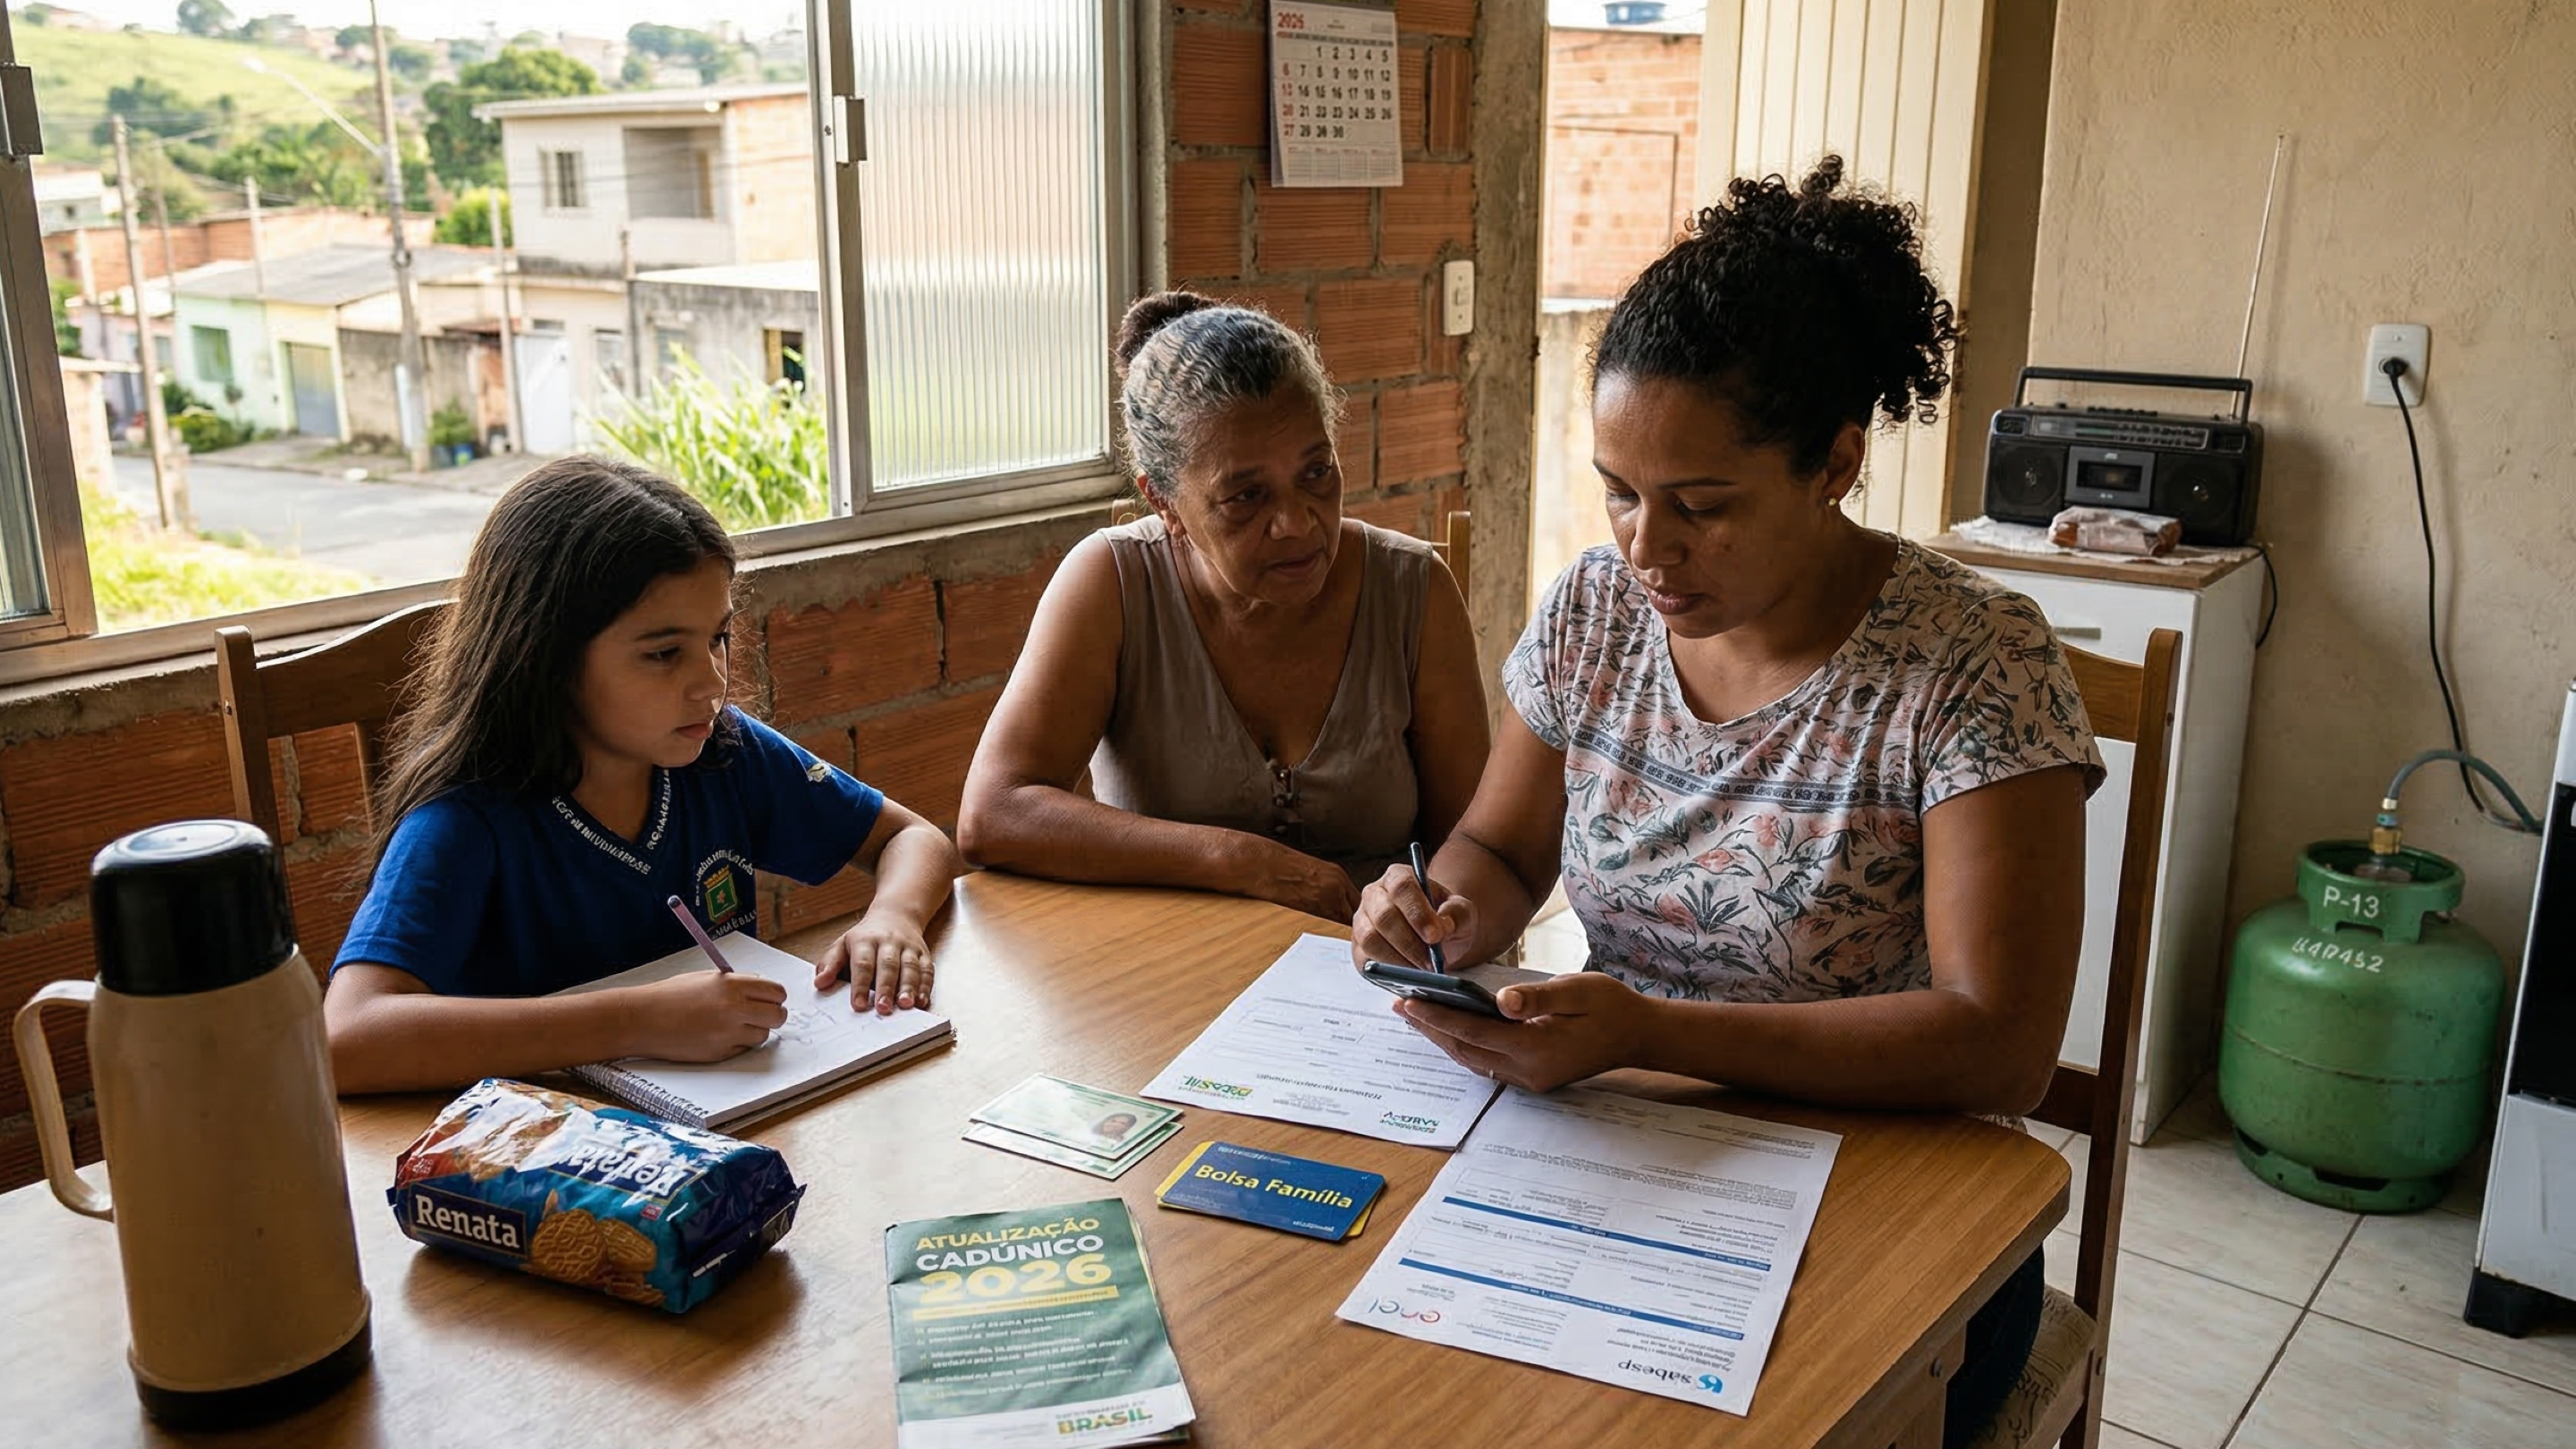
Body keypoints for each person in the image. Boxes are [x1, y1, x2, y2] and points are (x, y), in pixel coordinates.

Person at [1350, 158, 2102, 1449]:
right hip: (1620, 1148)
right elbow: (1501, 847)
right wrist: (1441, 913)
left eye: (1701, 507)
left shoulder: (1974, 664)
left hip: (1896, 1193)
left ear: (1836, 465)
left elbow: (2000, 1045)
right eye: (1620, 491)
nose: (1647, 549)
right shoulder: (1596, 612)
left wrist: (1652, 1031)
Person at [326, 457, 962, 1094]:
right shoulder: (467, 820)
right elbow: (348, 1036)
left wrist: (894, 917)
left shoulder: (724, 753)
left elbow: (912, 838)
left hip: (733, 1122)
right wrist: (636, 1021)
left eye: (717, 638)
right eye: (663, 653)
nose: (711, 682)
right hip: (547, 1142)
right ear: (544, 655)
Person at [957, 292, 1489, 920]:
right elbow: (994, 813)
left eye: (1316, 472)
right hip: (1174, 958)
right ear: (1164, 503)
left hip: (1376, 967)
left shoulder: (1413, 591)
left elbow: (1478, 850)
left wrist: (1425, 927)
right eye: (1245, 497)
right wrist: (1237, 861)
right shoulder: (1113, 585)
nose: (1296, 523)